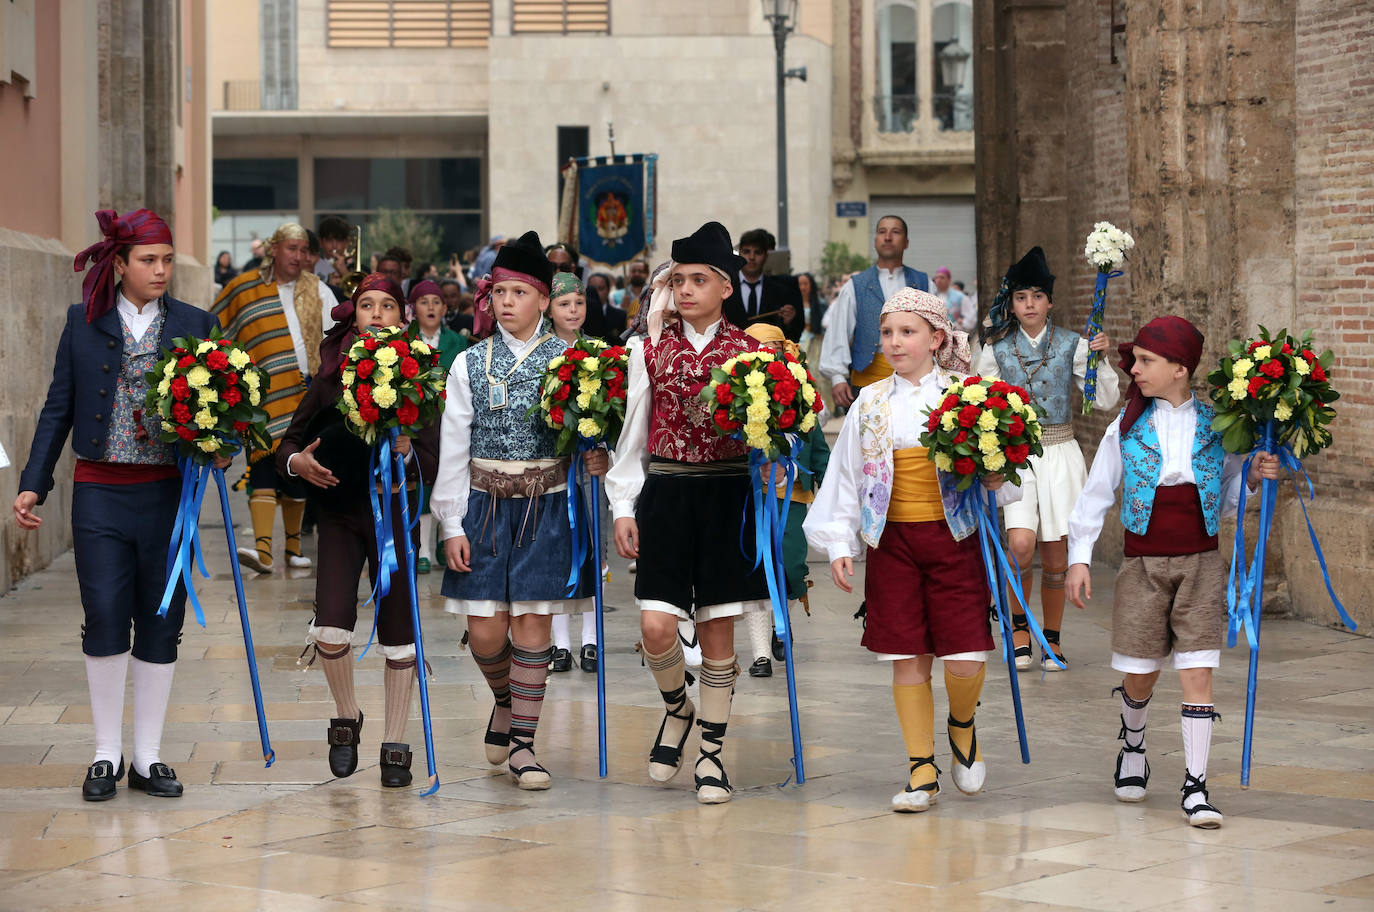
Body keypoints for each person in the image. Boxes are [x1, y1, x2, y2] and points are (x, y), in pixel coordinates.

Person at [15, 208, 221, 801]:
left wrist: (220, 446)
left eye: (165, 259)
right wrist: (34, 482)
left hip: (167, 494)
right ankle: (106, 754)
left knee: (161, 620)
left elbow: (224, 407)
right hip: (99, 492)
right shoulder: (83, 322)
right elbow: (58, 408)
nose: (161, 270)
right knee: (105, 614)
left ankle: (149, 757)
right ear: (120, 264)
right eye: (148, 260)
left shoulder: (196, 322)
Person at [805, 287, 1017, 813]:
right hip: (892, 544)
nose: (895, 343)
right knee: (906, 656)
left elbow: (1005, 475)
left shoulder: (967, 396)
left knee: (965, 655)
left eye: (907, 332)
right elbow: (847, 476)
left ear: (936, 337)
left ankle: (962, 726)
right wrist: (839, 541)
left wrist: (994, 476)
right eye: (887, 333)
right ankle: (921, 768)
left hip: (955, 539)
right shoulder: (870, 403)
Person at [1066, 316, 1278, 829]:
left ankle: (1196, 785)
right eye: (1135, 359)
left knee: (1198, 669)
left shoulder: (1219, 426)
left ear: (1180, 369)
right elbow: (1096, 495)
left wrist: (1250, 474)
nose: (1133, 369)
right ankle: (1133, 747)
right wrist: (1079, 556)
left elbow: (1225, 500)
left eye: (1145, 361)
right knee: (1140, 672)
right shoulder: (1126, 426)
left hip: (1202, 563)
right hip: (1143, 565)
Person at [431, 230, 606, 790]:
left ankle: (525, 746)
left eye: (519, 293)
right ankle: (506, 700)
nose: (507, 302)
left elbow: (590, 432)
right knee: (485, 630)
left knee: (533, 624)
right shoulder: (469, 364)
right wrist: (450, 522)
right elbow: (455, 444)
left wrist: (595, 451)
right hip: (482, 506)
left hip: (547, 505)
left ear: (543, 300)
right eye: (499, 292)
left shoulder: (573, 362)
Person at [606, 221, 771, 804]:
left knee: (716, 627)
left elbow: (769, 435)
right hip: (668, 493)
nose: (686, 290)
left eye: (699, 280)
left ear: (726, 287)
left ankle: (711, 755)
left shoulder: (754, 354)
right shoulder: (647, 347)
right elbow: (631, 433)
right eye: (678, 280)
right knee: (655, 625)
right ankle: (678, 707)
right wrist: (623, 504)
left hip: (728, 496)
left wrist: (777, 452)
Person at [277, 274, 438, 787]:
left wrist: (411, 456)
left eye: (386, 305)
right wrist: (297, 463)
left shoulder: (422, 380)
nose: (375, 313)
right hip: (340, 516)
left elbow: (438, 459)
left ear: (402, 318)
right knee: (330, 626)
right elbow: (287, 446)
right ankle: (347, 715)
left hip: (395, 520)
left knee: (400, 635)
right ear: (354, 314)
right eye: (365, 305)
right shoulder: (329, 378)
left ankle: (395, 738)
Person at [973, 246, 1119, 671]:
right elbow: (981, 403)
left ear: (1050, 302)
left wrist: (1099, 359)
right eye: (1021, 297)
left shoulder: (1075, 344)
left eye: (1037, 296)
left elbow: (1106, 399)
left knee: (1056, 554)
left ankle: (1051, 639)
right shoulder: (996, 348)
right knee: (1019, 546)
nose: (1030, 304)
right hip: (1018, 455)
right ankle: (1020, 631)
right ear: (1012, 304)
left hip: (1061, 452)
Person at [212, 223, 342, 573]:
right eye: (291, 248)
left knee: (300, 461)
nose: (298, 256)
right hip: (262, 393)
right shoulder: (245, 288)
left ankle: (294, 548)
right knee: (264, 464)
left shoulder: (319, 290)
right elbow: (216, 330)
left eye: (303, 250)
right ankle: (264, 550)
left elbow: (337, 336)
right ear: (274, 249)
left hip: (310, 391)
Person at [738, 322, 830, 678]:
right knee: (757, 569)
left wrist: (829, 491)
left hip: (793, 499)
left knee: (789, 565)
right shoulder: (739, 402)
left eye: (773, 349)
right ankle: (761, 652)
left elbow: (819, 452)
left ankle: (783, 618)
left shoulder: (803, 403)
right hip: (751, 501)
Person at [544, 272, 604, 674]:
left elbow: (613, 412)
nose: (573, 311)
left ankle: (592, 639)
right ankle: (560, 643)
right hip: (553, 466)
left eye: (579, 303)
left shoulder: (599, 354)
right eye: (564, 304)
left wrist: (602, 449)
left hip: (588, 465)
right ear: (549, 307)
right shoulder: (541, 353)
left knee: (594, 547)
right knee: (557, 550)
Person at [819, 216, 931, 409]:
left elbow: (939, 333)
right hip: (867, 382)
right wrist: (837, 377)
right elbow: (838, 332)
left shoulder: (925, 283)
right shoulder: (855, 286)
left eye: (895, 232)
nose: (887, 237)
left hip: (918, 381)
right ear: (875, 241)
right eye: (882, 232)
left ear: (906, 242)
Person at [408, 279, 468, 575]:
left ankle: (447, 542)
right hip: (419, 423)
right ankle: (423, 550)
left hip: (450, 421)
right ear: (413, 309)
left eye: (436, 302)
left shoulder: (458, 342)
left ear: (445, 308)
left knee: (451, 475)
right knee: (423, 480)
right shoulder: (405, 342)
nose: (430, 307)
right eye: (423, 301)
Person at [724, 228, 804, 341]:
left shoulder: (782, 291)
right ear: (739, 254)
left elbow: (794, 334)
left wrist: (789, 322)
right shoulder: (723, 288)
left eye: (757, 252)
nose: (751, 257)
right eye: (746, 252)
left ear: (766, 256)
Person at [933, 267, 976, 333]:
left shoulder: (960, 296)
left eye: (942, 277)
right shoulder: (932, 296)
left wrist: (962, 323)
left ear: (949, 280)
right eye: (937, 277)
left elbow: (971, 318)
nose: (939, 280)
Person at [316, 216, 352, 284]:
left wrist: (345, 273)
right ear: (320, 242)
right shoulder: (312, 267)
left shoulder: (358, 269)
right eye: (329, 240)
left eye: (339, 240)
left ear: (346, 242)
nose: (334, 245)